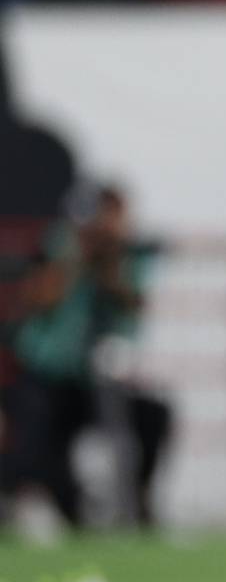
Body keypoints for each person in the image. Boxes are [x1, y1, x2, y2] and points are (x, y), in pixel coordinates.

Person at [5, 184, 172, 529]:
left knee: (153, 417)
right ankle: (67, 510)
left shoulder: (122, 260)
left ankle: (138, 506)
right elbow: (39, 300)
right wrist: (77, 259)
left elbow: (131, 311)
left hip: (96, 381)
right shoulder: (59, 246)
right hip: (47, 378)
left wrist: (110, 267)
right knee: (35, 439)